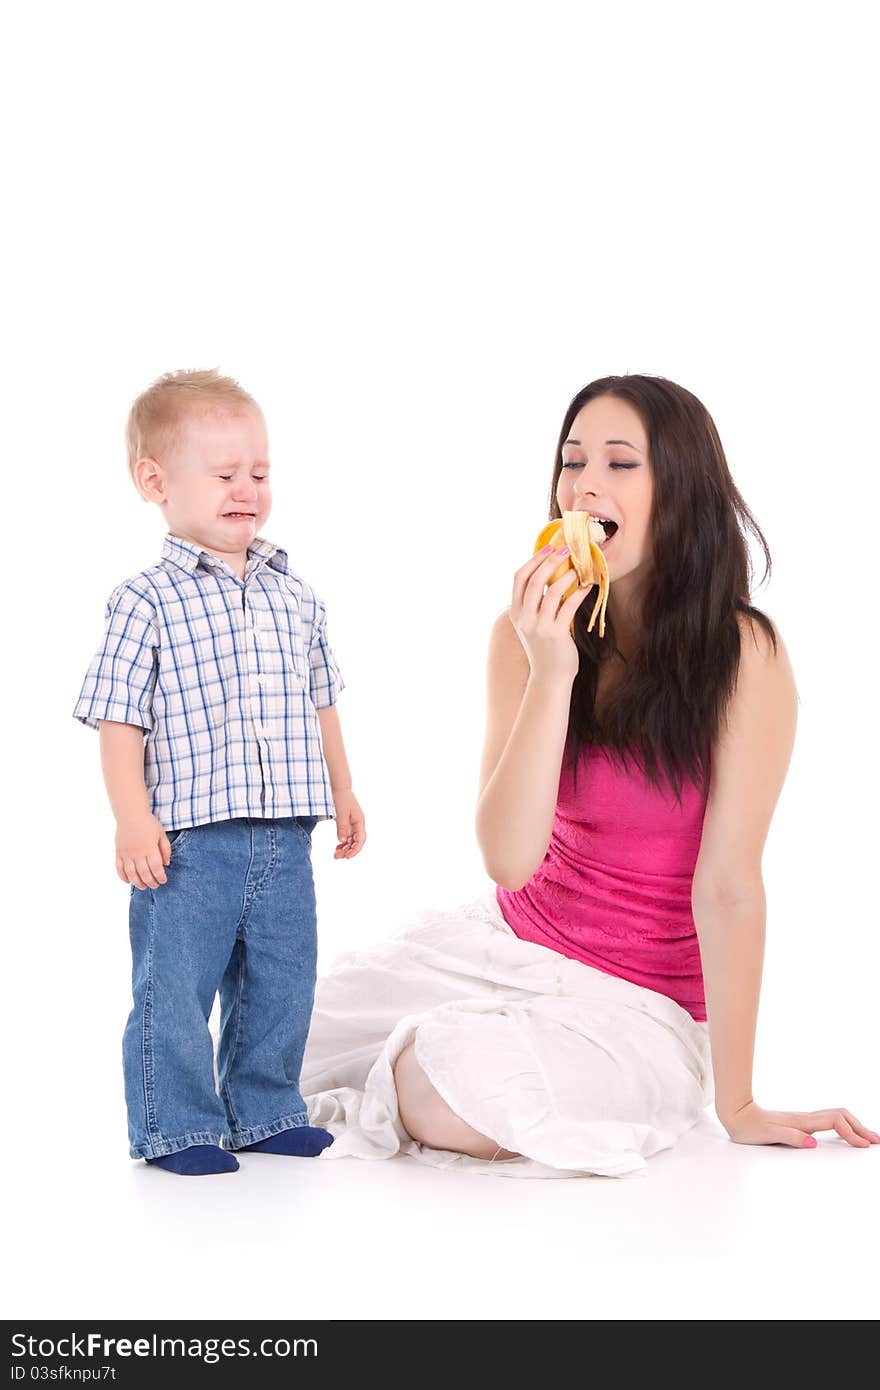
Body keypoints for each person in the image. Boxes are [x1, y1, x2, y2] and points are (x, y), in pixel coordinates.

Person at [301, 373, 878, 1177]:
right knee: (278, 1037)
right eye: (572, 462)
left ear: (681, 491)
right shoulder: (525, 635)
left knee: (443, 1080)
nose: (585, 486)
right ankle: (467, 1035)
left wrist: (738, 1103)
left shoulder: (744, 654)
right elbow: (508, 860)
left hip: (641, 1007)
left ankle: (470, 1055)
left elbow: (730, 887)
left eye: (620, 464)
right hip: (507, 943)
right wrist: (552, 671)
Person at [74, 368, 365, 1175]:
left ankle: (264, 1108)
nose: (248, 489)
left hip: (284, 834)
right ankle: (177, 1126)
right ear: (156, 482)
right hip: (189, 841)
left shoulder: (296, 595)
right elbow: (119, 718)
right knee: (175, 990)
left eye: (260, 473)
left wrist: (342, 791)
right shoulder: (145, 600)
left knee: (281, 980)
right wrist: (132, 818)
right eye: (226, 473)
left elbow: (321, 700)